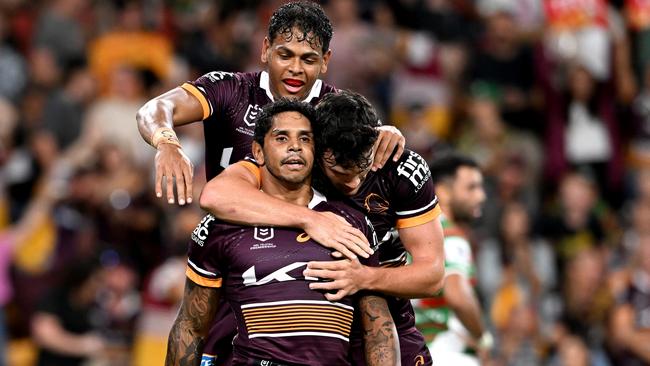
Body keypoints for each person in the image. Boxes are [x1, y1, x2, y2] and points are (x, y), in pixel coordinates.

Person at [135, 1, 404, 255]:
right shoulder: (230, 90)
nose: (295, 69)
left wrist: (385, 134)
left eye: (308, 60)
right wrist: (167, 142)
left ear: (325, 60)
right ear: (265, 49)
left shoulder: (339, 110)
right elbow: (154, 109)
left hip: (314, 251)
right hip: (234, 243)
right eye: (285, 55)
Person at [201, 90, 444, 365]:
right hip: (308, 318)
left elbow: (433, 276)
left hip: (385, 311)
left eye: (361, 170)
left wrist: (363, 278)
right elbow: (214, 196)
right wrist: (310, 218)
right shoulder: (297, 161)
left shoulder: (401, 168)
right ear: (317, 148)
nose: (353, 184)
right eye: (340, 173)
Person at [165, 99, 400, 366]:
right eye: (281, 138)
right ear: (259, 152)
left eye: (305, 138)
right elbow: (190, 327)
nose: (294, 146)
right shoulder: (220, 227)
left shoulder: (352, 223)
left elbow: (378, 332)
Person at [415, 154, 492, 366]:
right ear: (443, 192)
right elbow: (457, 294)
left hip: (410, 350)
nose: (481, 196)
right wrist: (482, 338)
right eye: (471, 188)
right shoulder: (449, 235)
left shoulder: (411, 232)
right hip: (444, 350)